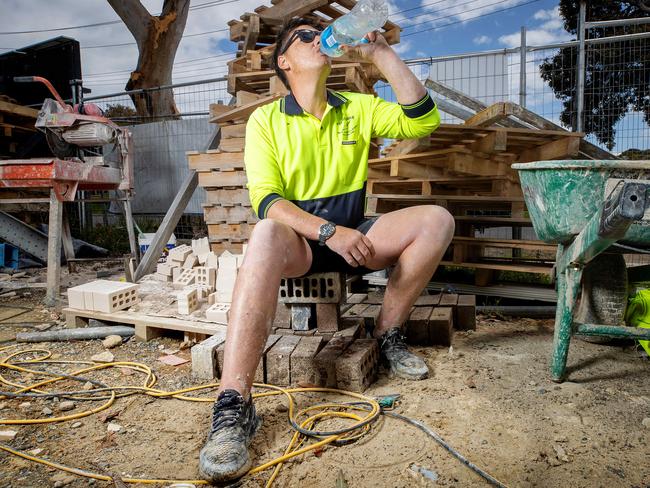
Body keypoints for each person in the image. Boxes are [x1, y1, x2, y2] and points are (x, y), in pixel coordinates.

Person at [199, 17, 454, 483]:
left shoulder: (357, 107)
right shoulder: (267, 120)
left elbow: (425, 119)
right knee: (263, 233)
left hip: (357, 236)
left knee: (437, 219)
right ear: (284, 61)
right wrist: (327, 232)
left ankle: (388, 334)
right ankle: (233, 405)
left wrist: (381, 54)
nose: (318, 38)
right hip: (303, 245)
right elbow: (267, 201)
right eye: (304, 37)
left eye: (320, 33)